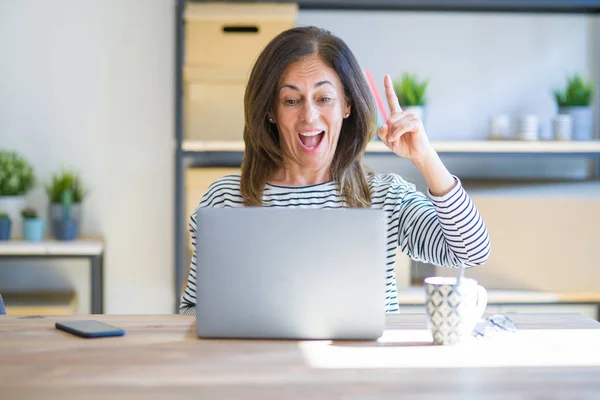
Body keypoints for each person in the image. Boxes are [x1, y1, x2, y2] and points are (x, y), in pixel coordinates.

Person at [179, 26, 490, 315]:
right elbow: (192, 309)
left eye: (324, 98)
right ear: (270, 111)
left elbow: (470, 252)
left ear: (347, 105)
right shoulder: (226, 199)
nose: (309, 116)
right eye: (291, 100)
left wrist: (426, 157)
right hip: (262, 369)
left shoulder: (384, 197)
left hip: (362, 372)